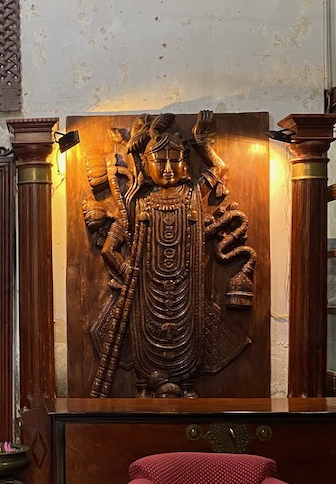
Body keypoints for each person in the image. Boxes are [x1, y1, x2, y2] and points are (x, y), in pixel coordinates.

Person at [83, 111, 255, 398]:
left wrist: (201, 141)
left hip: (187, 289)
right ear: (145, 164)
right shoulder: (137, 203)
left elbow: (219, 168)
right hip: (145, 291)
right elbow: (109, 249)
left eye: (174, 161)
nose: (167, 169)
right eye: (159, 161)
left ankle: (187, 386)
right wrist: (128, 273)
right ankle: (143, 386)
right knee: (144, 337)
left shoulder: (192, 195)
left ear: (185, 164)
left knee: (190, 334)